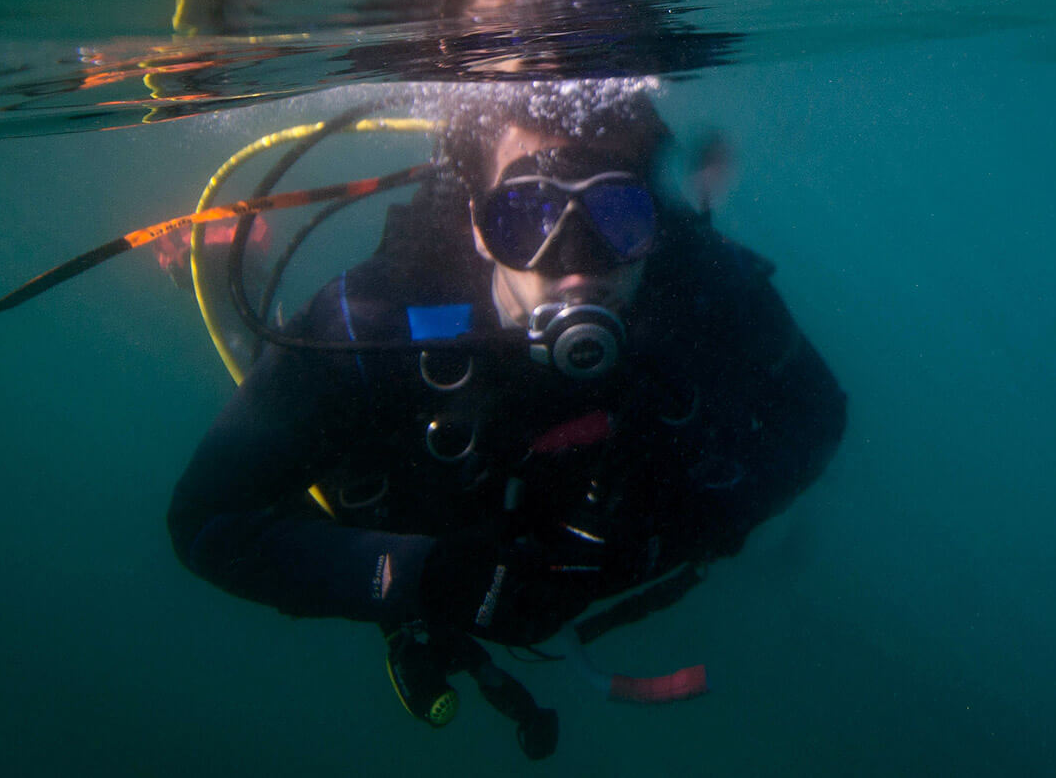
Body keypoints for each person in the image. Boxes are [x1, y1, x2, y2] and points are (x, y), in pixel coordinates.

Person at [166, 83, 846, 758]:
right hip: (410, 509)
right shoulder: (374, 319)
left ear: (655, 224)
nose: (578, 265)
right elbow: (206, 520)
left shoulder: (704, 287)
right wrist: (421, 576)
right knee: (291, 392)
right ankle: (235, 261)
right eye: (528, 216)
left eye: (616, 214)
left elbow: (818, 416)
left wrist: (669, 534)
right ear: (476, 224)